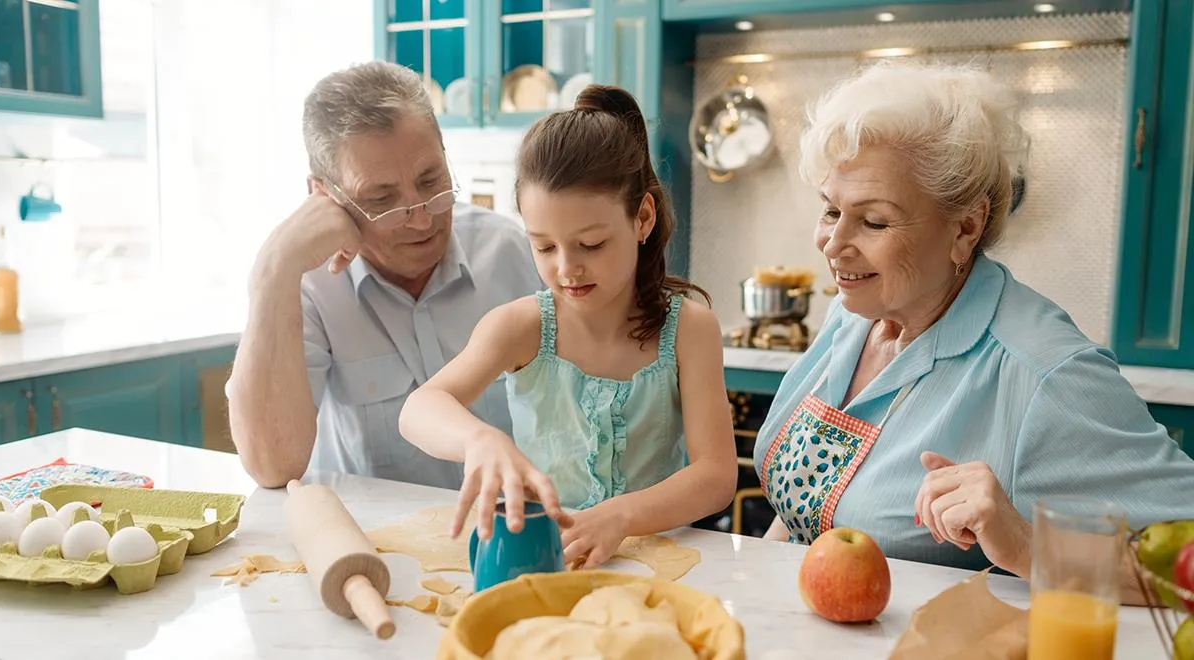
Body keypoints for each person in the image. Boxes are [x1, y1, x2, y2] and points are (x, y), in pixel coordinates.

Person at [753, 61, 1194, 602]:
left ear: (966, 226)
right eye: (830, 211)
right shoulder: (856, 313)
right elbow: (802, 514)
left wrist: (1027, 546)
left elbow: (1185, 561)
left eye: (874, 222)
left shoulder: (1042, 372)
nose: (832, 242)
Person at [399, 85, 738, 569]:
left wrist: (620, 516)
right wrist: (480, 440)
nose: (567, 269)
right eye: (544, 247)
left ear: (642, 218)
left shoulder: (689, 330)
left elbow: (716, 475)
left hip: (658, 565)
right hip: (545, 560)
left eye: (592, 244)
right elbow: (419, 408)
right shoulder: (521, 326)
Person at [227, 61, 540, 489]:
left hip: (515, 529)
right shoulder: (309, 285)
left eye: (432, 181)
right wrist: (270, 272)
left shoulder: (512, 251)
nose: (421, 218)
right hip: (376, 545)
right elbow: (273, 466)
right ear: (323, 195)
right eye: (382, 198)